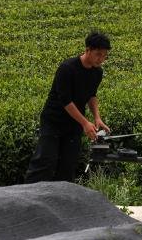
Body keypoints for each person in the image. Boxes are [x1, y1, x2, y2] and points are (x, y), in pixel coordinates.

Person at [24, 30, 111, 183]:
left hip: (74, 124)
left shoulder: (97, 72)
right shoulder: (67, 68)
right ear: (87, 50)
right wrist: (85, 123)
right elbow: (66, 101)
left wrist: (97, 118)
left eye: (104, 55)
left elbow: (92, 95)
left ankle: (61, 202)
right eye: (98, 54)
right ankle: (28, 198)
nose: (101, 59)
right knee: (45, 161)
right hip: (53, 121)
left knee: (68, 166)